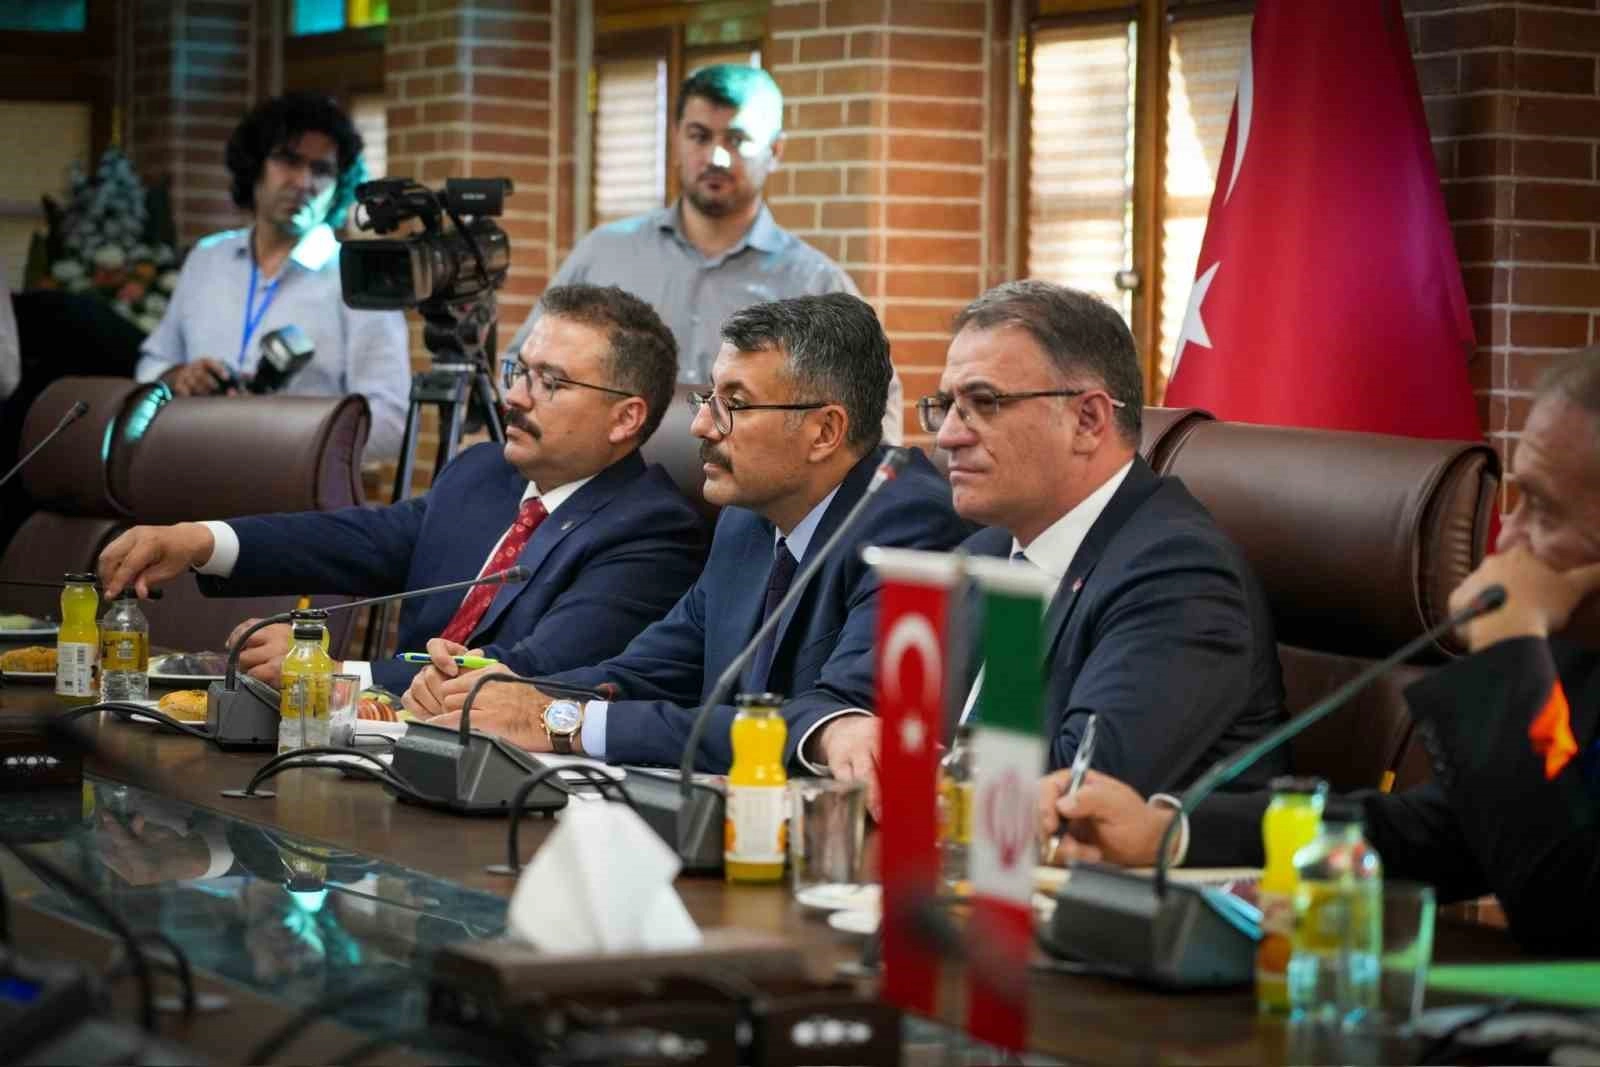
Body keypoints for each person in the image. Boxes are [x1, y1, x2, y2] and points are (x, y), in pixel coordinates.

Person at [1038, 345, 1600, 953]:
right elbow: (1429, 834)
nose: (1508, 540)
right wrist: (1167, 833)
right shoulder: (1575, 663)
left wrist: (1509, 663)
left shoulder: (1534, 656)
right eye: (1518, 502)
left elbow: (1566, 915)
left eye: (1545, 510)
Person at [423, 293, 968, 808]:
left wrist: (559, 722)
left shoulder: (907, 525)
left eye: (735, 404)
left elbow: (832, 720)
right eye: (708, 399)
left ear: (825, 431)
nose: (702, 426)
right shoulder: (745, 520)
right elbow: (650, 671)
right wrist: (496, 689)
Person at [98, 284, 707, 696]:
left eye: (550, 382)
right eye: (518, 370)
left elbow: (531, 671)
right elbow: (361, 540)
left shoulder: (651, 530)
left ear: (625, 418)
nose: (514, 397)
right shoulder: (483, 473)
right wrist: (201, 541)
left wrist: (331, 673)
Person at [921, 280, 1284, 792]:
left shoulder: (1179, 575)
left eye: (984, 402)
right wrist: (848, 732)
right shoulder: (989, 552)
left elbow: (1074, 789)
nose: (947, 436)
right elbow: (867, 701)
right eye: (946, 405)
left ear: (1088, 420)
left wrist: (908, 772)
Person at [503, 63, 904, 445]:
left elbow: (873, 413)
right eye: (699, 136)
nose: (716, 157)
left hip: (756, 494)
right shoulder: (604, 253)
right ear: (676, 138)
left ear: (776, 150)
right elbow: (519, 367)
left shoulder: (816, 283)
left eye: (737, 140)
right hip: (609, 487)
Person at [134, 91, 410, 462]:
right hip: (193, 471)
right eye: (288, 160)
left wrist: (281, 433)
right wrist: (178, 378)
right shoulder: (208, 259)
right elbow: (149, 367)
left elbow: (392, 423)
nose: (304, 182)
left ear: (339, 185)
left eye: (322, 170)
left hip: (295, 486)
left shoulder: (357, 277)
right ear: (255, 166)